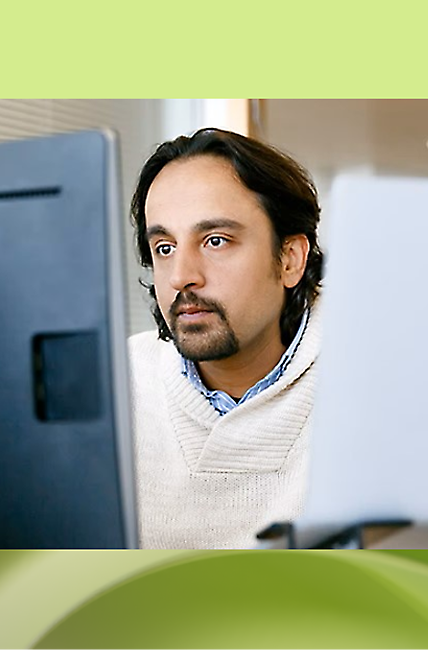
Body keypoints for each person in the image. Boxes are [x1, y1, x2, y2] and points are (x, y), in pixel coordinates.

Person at [128, 128, 325, 549]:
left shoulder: (378, 385)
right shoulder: (114, 383)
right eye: (164, 247)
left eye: (215, 241)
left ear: (290, 259)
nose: (182, 276)